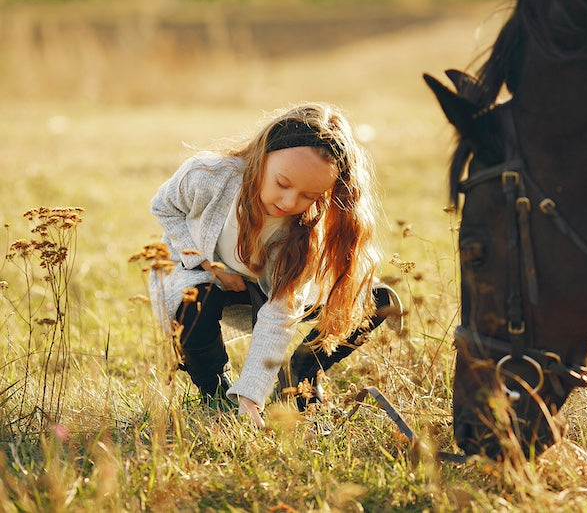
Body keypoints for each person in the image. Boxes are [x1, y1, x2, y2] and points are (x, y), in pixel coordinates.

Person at [149, 102, 400, 426]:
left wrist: (251, 396)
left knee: (370, 302)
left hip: (265, 286)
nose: (289, 202)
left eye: (309, 196)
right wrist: (202, 262)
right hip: (203, 277)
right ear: (262, 155)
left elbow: (278, 316)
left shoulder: (302, 232)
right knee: (193, 308)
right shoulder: (210, 175)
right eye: (282, 184)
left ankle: (304, 370)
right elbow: (164, 206)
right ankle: (215, 391)